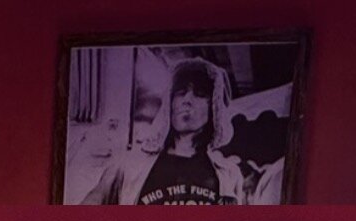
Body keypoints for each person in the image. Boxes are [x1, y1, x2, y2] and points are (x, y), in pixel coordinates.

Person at [81, 58, 246, 205]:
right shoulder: (129, 165)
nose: (187, 100)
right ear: (169, 103)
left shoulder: (229, 174)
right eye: (180, 93)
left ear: (215, 107)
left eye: (199, 94)